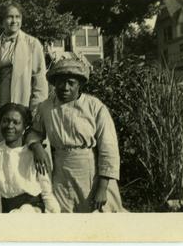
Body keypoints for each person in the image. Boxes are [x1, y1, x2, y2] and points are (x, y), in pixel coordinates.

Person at [26, 58, 126, 213]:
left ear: (80, 85)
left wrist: (103, 186)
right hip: (61, 172)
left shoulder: (94, 106)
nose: (65, 87)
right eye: (60, 82)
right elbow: (34, 131)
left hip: (89, 172)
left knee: (97, 217)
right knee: (65, 217)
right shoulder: (46, 107)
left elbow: (109, 147)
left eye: (71, 83)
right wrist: (36, 146)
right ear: (54, 84)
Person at [0, 1, 48, 149]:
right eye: (10, 17)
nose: (14, 21)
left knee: (21, 149)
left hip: (22, 102)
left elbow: (39, 82)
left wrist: (35, 111)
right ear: (2, 20)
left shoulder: (32, 44)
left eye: (18, 17)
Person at [0, 103, 60, 213]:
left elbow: (46, 190)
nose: (10, 126)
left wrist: (54, 213)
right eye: (5, 121)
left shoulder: (34, 154)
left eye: (16, 123)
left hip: (31, 207)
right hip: (4, 207)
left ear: (25, 127)